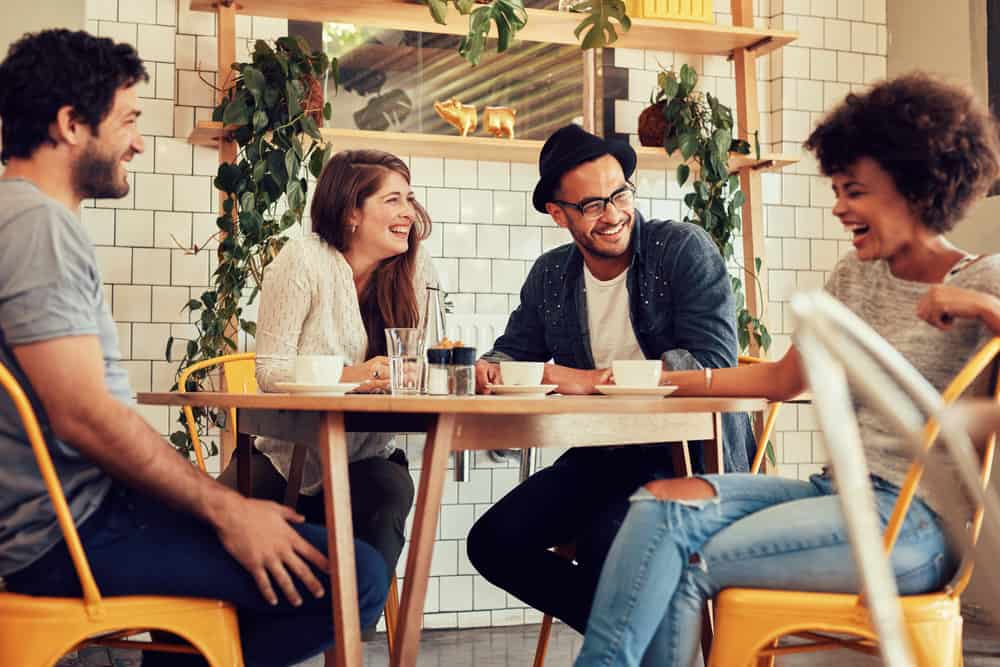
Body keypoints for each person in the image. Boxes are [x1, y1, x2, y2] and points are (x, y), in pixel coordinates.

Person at [573, 72, 1000, 667]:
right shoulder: (853, 278)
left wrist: (985, 308)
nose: (838, 207)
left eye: (855, 192)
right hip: (835, 495)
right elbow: (778, 380)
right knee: (658, 506)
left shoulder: (984, 278)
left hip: (914, 526)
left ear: (913, 188)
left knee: (686, 557)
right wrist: (628, 379)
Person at [0, 30, 387, 667]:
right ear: (71, 124)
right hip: (70, 533)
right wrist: (227, 510)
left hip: (59, 521)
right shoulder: (40, 227)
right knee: (355, 575)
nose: (138, 142)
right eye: (127, 120)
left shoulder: (15, 217)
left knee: (290, 556)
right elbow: (84, 414)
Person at [465, 123, 755, 634]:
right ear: (559, 214)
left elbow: (714, 363)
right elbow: (514, 349)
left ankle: (637, 638)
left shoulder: (682, 249)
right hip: (601, 457)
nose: (614, 214)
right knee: (493, 541)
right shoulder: (551, 275)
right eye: (593, 205)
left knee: (610, 544)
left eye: (620, 194)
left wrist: (595, 379)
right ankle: (644, 636)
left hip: (687, 458)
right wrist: (492, 366)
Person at [218, 148, 436, 636]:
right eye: (394, 199)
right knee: (203, 529)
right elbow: (270, 371)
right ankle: (235, 642)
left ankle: (346, 635)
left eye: (411, 200)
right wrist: (359, 374)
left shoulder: (416, 273)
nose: (409, 213)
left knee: (390, 494)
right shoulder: (303, 260)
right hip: (283, 455)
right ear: (351, 211)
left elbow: (425, 365)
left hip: (365, 456)